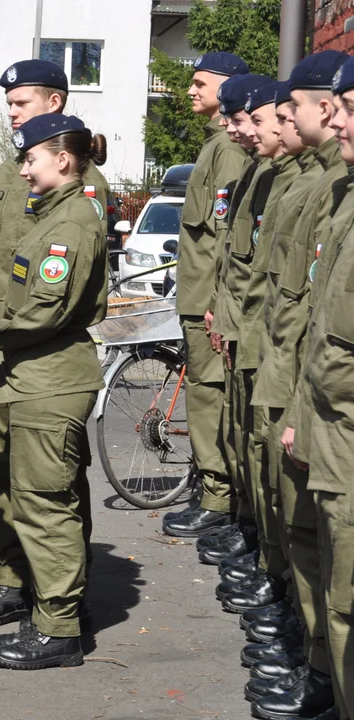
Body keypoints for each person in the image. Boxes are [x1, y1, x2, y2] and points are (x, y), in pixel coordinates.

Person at [0, 58, 110, 630]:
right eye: (9, 104)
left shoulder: (79, 189)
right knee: (0, 471)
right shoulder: (9, 175)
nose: (11, 112)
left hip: (33, 351)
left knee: (49, 481)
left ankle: (59, 592)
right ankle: (12, 579)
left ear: (55, 105)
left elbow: (51, 295)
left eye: (21, 104)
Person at [248, 51, 348, 719]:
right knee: (321, 564)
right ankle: (319, 667)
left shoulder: (327, 189)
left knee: (340, 589)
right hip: (317, 405)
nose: (338, 125)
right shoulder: (333, 191)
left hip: (337, 418)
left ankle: (320, 673)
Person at [162, 52, 251, 539]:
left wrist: (220, 303)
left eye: (201, 82)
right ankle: (214, 489)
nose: (192, 90)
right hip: (199, 298)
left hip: (210, 302)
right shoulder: (217, 145)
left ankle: (219, 499)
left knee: (212, 398)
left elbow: (225, 237)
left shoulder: (229, 150)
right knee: (206, 395)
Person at [197, 72, 271, 564]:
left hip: (261, 337)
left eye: (246, 119)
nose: (237, 128)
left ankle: (264, 553)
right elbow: (232, 254)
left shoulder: (272, 174)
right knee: (243, 436)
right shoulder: (261, 171)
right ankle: (258, 543)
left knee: (261, 449)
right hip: (237, 324)